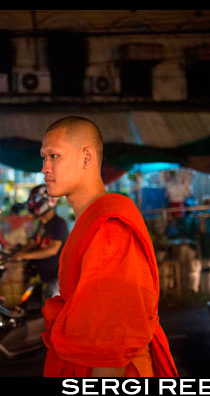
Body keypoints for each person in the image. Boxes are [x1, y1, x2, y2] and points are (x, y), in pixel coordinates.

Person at [39, 116, 178, 377]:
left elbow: (111, 344)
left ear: (87, 158)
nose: (45, 168)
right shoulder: (91, 219)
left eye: (54, 156)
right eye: (43, 158)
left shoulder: (108, 228)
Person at [12, 185, 69, 302]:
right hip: (43, 275)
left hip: (56, 277)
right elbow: (33, 242)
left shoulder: (59, 223)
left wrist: (24, 255)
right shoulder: (43, 223)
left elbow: (52, 250)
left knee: (53, 312)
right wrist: (17, 253)